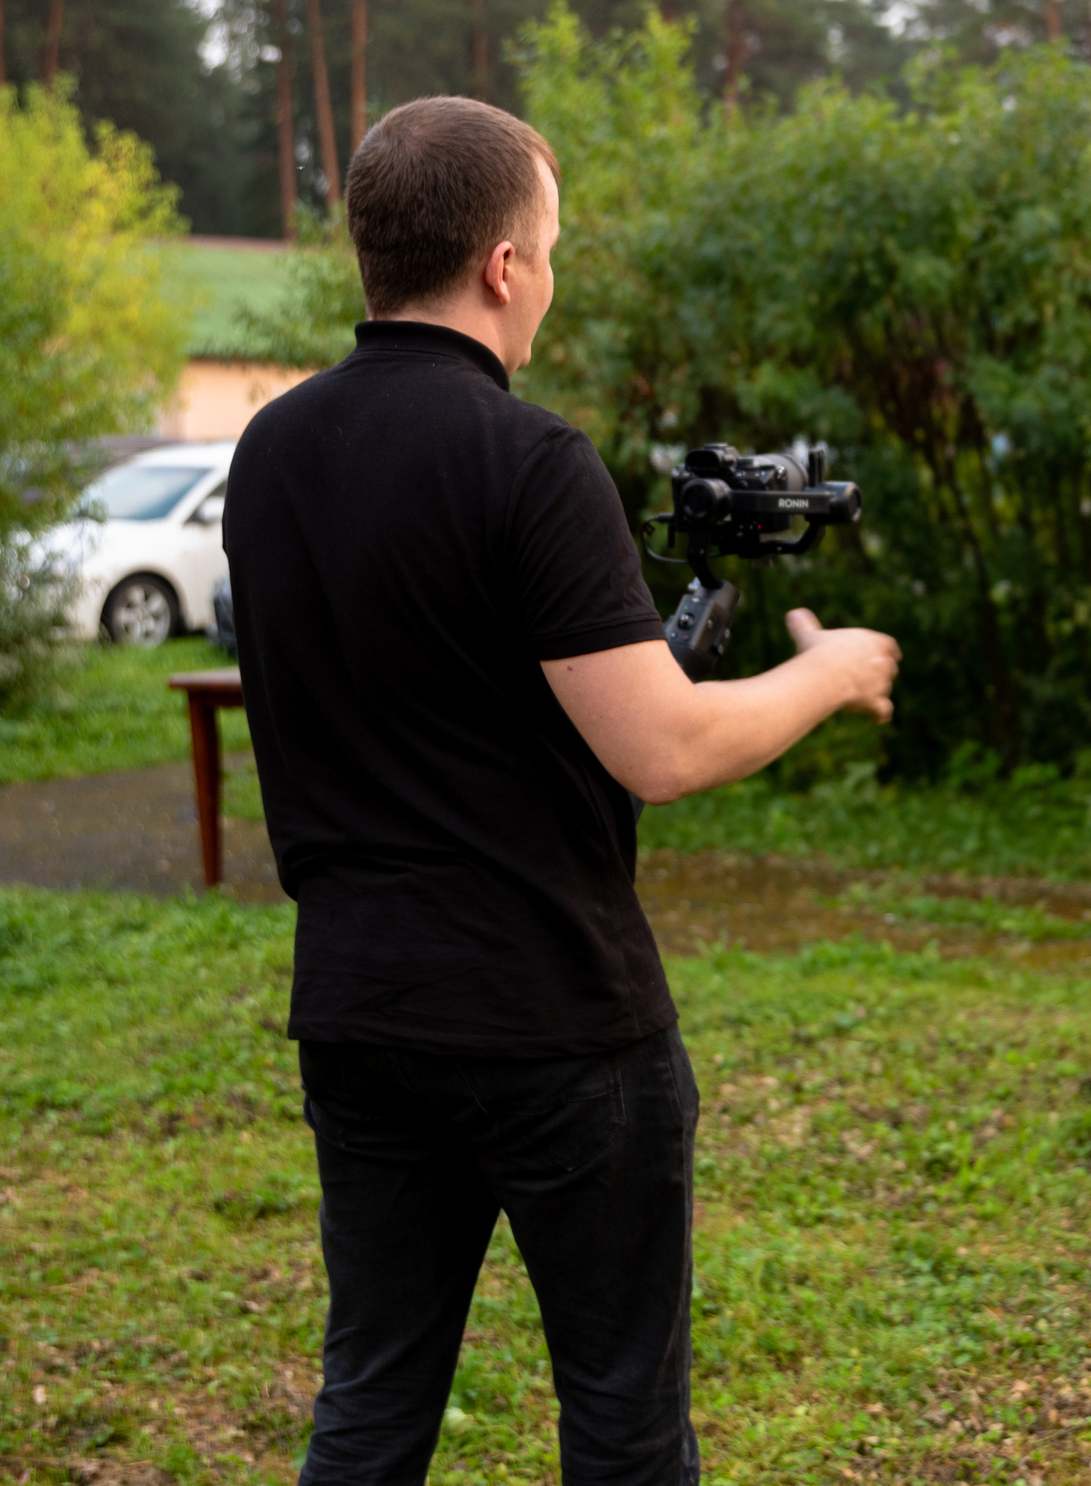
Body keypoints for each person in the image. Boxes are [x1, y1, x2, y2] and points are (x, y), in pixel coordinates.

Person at [224, 95, 899, 1486]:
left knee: (370, 1403)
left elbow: (448, 690)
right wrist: (830, 672)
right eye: (552, 248)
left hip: (360, 1005)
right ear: (503, 264)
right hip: (551, 1016)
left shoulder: (272, 449)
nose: (551, 277)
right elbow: (666, 749)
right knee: (622, 1415)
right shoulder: (528, 457)